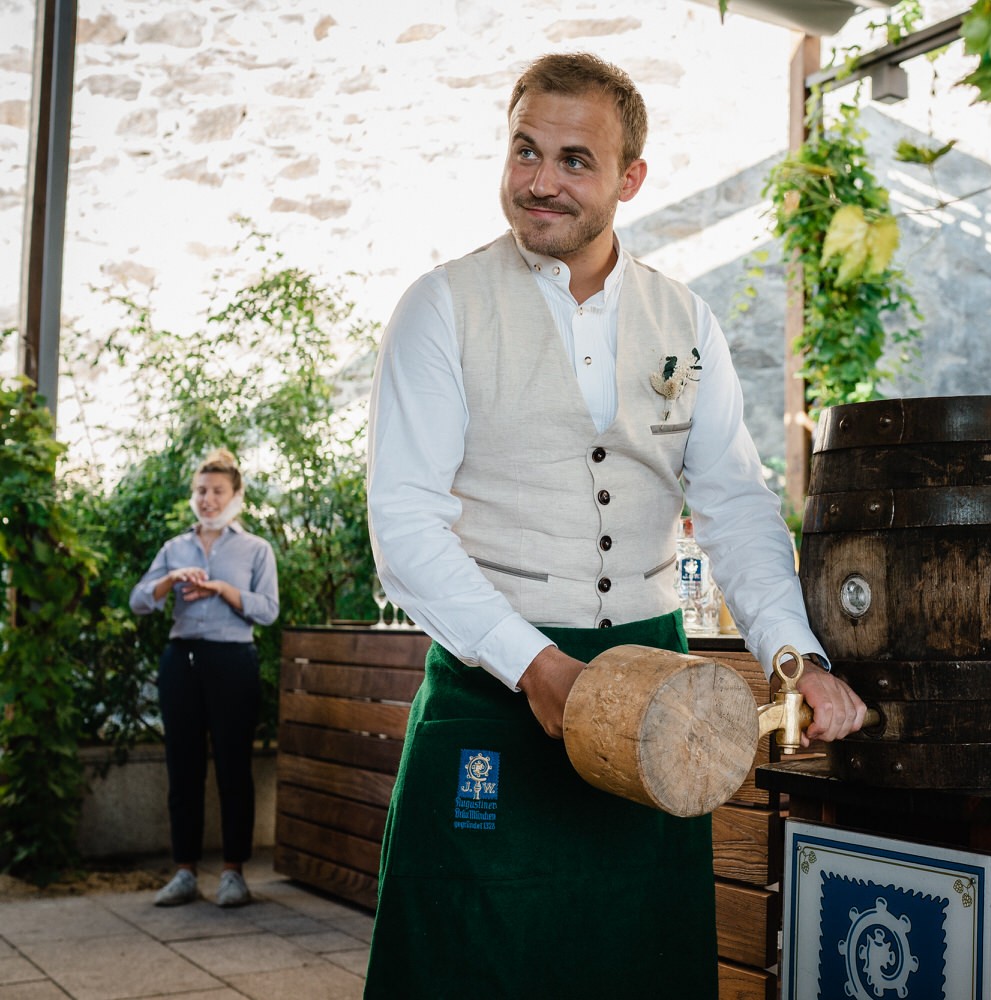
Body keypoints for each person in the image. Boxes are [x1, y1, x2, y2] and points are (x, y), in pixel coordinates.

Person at [363, 51, 867, 998]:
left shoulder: (687, 320)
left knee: (637, 968)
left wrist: (795, 653)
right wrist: (537, 668)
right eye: (524, 151)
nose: (539, 181)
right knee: (465, 965)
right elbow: (406, 528)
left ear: (630, 178)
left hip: (657, 712)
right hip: (490, 695)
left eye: (573, 160)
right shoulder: (441, 308)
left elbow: (736, 507)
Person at [129, 448, 279, 908]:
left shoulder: (256, 549)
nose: (207, 499)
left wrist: (223, 589)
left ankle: (234, 872)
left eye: (217, 491)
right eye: (201, 491)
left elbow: (268, 610)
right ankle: (184, 872)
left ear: (236, 496)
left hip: (233, 661)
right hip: (181, 661)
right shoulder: (175, 548)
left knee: (234, 766)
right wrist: (169, 579)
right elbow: (139, 601)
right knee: (183, 766)